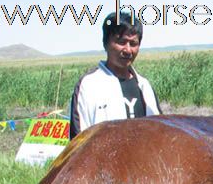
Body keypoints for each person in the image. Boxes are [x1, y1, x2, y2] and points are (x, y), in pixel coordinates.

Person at [69, 11, 161, 139]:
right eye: (121, 42)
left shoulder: (144, 86)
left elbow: (158, 133)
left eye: (133, 43)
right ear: (106, 43)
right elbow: (77, 143)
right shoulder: (89, 85)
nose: (128, 50)